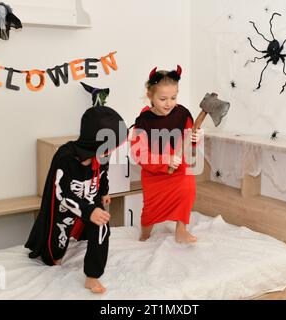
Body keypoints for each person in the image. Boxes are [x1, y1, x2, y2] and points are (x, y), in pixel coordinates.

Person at [25, 105, 127, 294]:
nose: (110, 151)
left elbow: (103, 174)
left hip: (90, 199)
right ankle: (53, 254)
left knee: (102, 227)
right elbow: (62, 194)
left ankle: (92, 276)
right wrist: (89, 211)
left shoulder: (103, 155)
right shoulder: (66, 157)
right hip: (65, 206)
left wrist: (104, 192)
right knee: (53, 255)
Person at [131, 65, 201, 243]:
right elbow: (139, 154)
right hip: (155, 174)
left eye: (173, 97)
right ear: (150, 97)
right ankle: (144, 235)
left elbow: (189, 142)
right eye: (163, 99)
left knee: (188, 188)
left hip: (178, 169)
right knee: (150, 210)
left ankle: (181, 230)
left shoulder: (182, 114)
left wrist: (194, 137)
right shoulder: (143, 122)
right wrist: (165, 160)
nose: (169, 103)